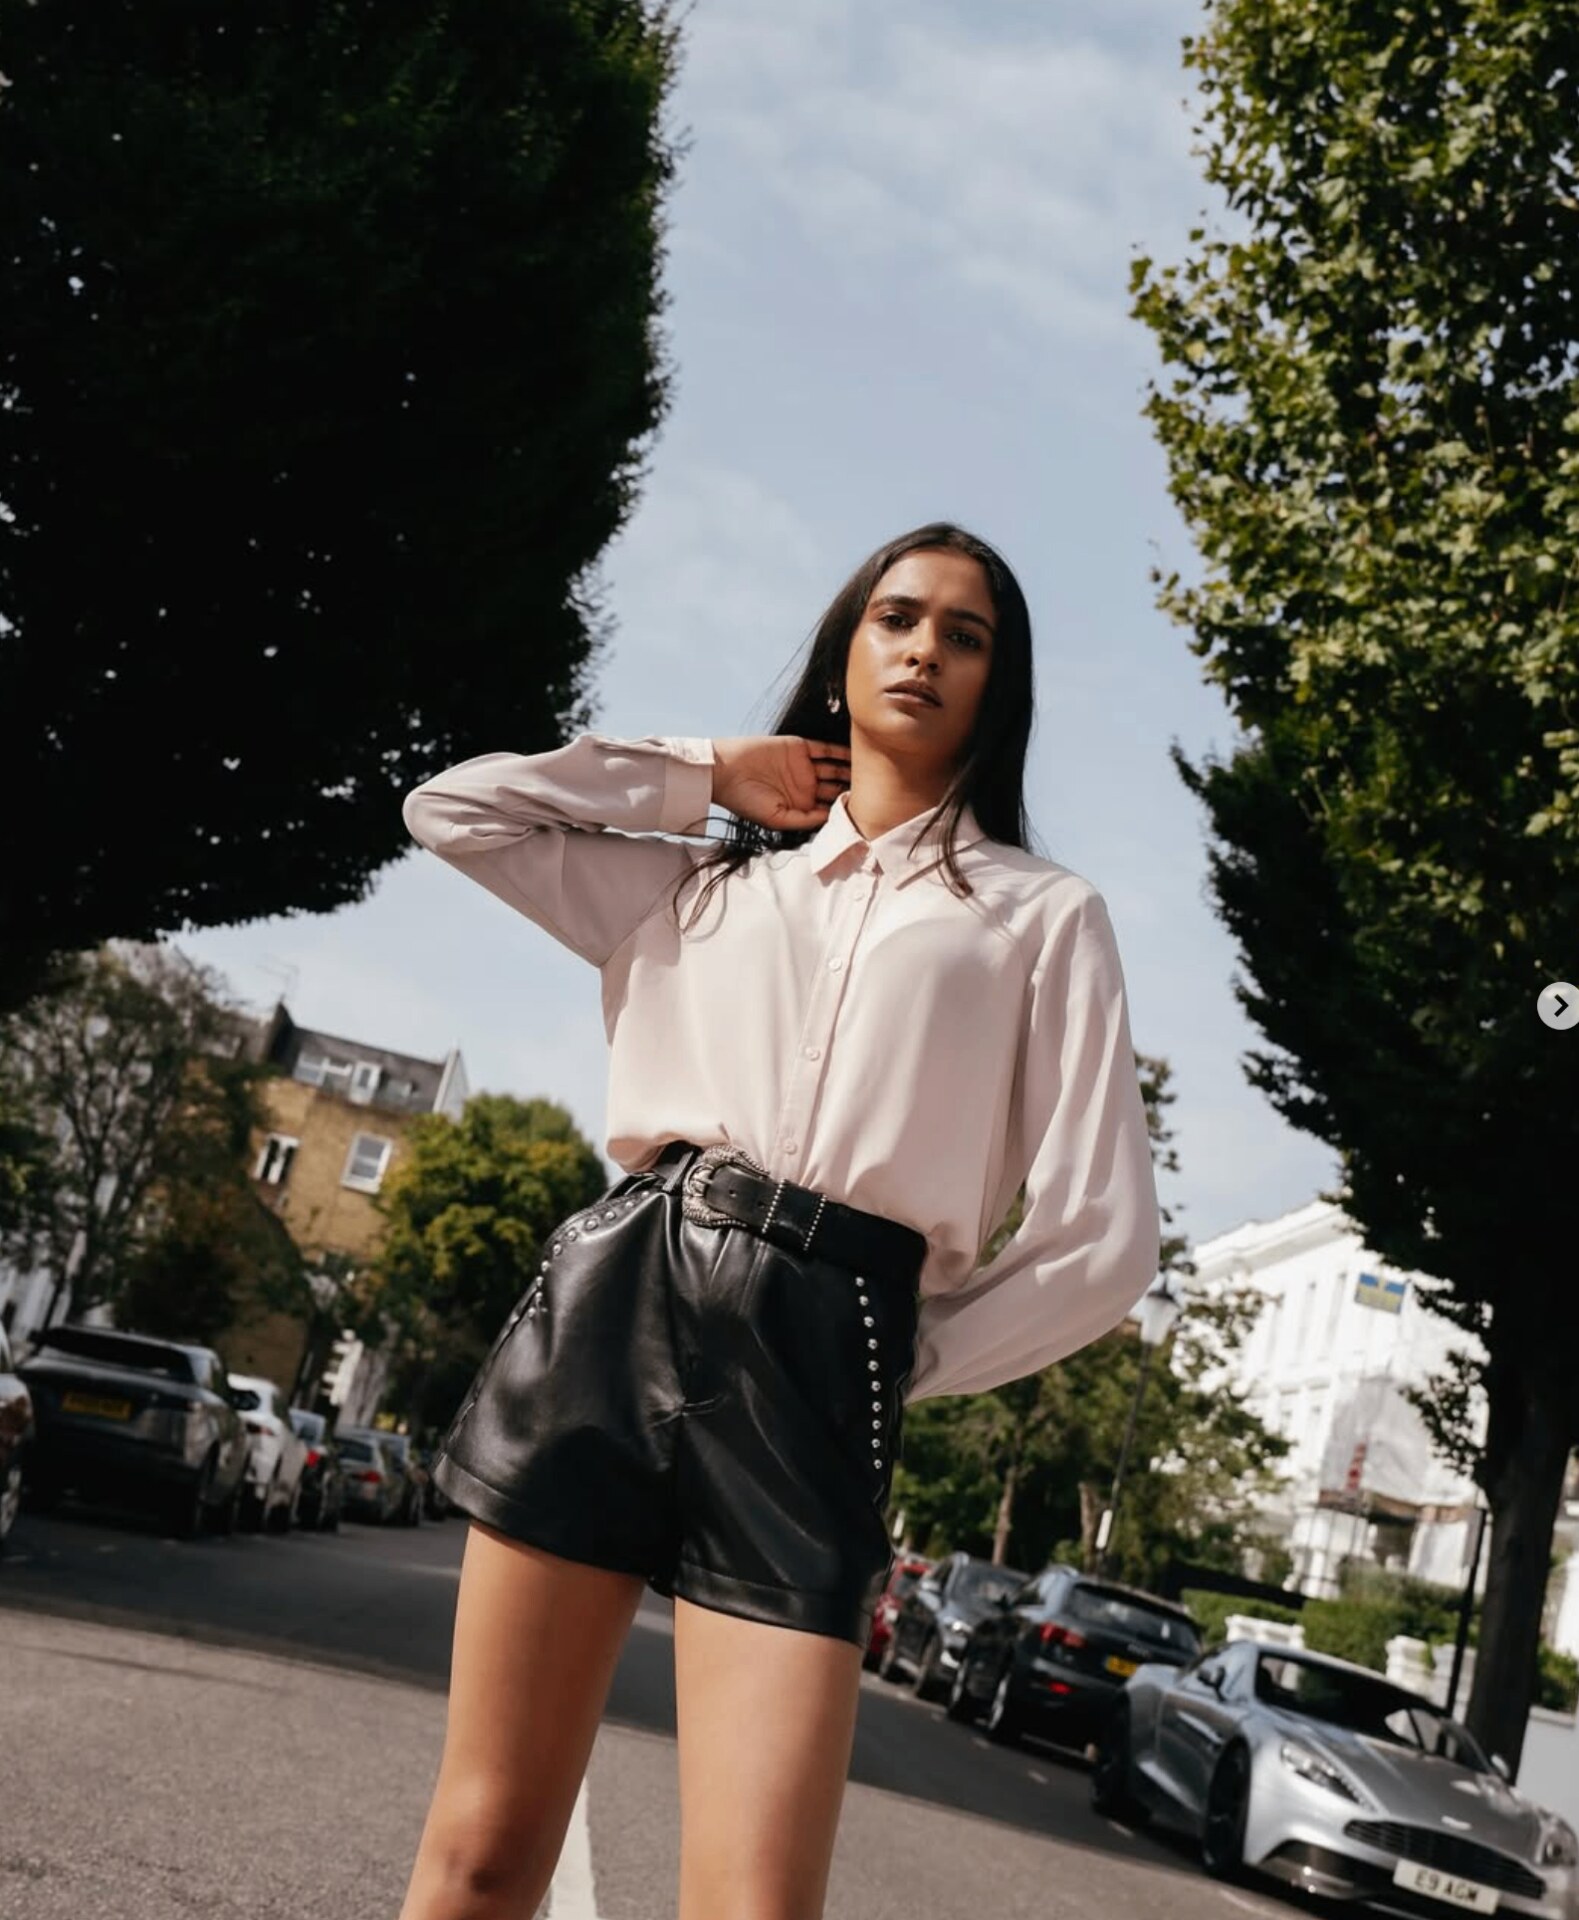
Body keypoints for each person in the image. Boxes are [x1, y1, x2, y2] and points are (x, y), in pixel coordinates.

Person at [396, 522, 1160, 1920]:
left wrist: (894, 1352)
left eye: (966, 635)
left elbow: (1104, 1238)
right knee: (482, 1851)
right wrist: (701, 774)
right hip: (613, 1318)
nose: (924, 650)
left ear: (1000, 685)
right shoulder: (700, 880)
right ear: (844, 653)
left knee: (754, 1903)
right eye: (896, 619)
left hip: (820, 1372)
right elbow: (452, 809)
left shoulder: (1041, 918)